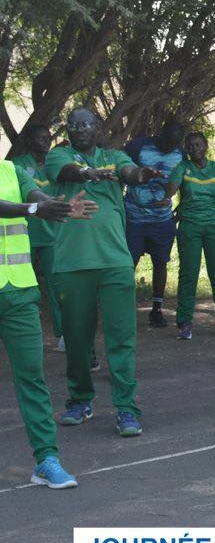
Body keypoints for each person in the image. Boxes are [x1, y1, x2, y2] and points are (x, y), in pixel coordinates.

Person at [47, 107, 165, 436]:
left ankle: (126, 409)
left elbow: (127, 172)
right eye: (73, 124)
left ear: (98, 128)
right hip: (73, 263)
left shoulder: (113, 155)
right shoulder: (59, 156)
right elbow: (68, 172)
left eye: (86, 124)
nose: (79, 128)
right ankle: (80, 400)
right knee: (77, 338)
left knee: (122, 338)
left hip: (114, 261)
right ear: (67, 130)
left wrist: (140, 175)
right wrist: (90, 173)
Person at [0, 153, 96, 488]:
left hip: (19, 291)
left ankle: (46, 460)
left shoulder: (11, 170)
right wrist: (34, 210)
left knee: (32, 378)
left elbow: (35, 197)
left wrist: (58, 207)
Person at [167, 131, 215, 340]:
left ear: (206, 146)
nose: (195, 149)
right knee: (188, 275)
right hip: (189, 226)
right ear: (187, 149)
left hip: (214, 227)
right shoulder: (183, 168)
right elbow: (171, 189)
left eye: (198, 145)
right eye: (190, 146)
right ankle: (184, 324)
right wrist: (168, 196)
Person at [124, 120, 185, 327]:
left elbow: (185, 184)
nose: (170, 146)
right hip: (134, 218)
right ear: (160, 134)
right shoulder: (138, 147)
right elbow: (121, 173)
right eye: (168, 141)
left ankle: (157, 311)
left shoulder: (181, 155)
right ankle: (125, 311)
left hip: (162, 220)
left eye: (175, 143)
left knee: (161, 263)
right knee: (128, 264)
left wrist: (180, 211)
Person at [13, 123, 63, 350]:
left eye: (48, 138)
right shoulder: (18, 165)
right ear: (29, 141)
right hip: (25, 235)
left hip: (52, 235)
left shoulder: (54, 164)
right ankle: (20, 335)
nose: (46, 141)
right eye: (41, 138)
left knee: (56, 287)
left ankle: (62, 335)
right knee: (23, 289)